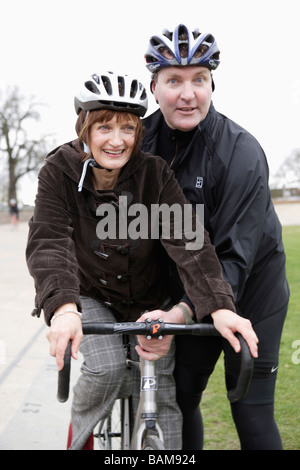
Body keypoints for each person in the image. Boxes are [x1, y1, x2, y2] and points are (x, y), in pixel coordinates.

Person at [26, 70, 258, 450]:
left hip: (151, 301)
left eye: (127, 129)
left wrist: (219, 306)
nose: (116, 141)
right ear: (84, 128)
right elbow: (49, 240)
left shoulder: (154, 173)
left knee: (159, 388)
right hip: (90, 296)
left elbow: (189, 242)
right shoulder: (59, 171)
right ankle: (81, 440)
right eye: (104, 128)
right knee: (107, 370)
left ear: (138, 133)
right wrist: (65, 309)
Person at [142, 24, 289, 450]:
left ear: (211, 84)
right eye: (174, 80)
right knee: (181, 399)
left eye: (199, 80)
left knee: (250, 407)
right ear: (154, 88)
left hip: (253, 288)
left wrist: (181, 314)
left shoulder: (241, 151)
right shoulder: (138, 144)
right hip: (191, 286)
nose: (188, 94)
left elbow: (235, 257)